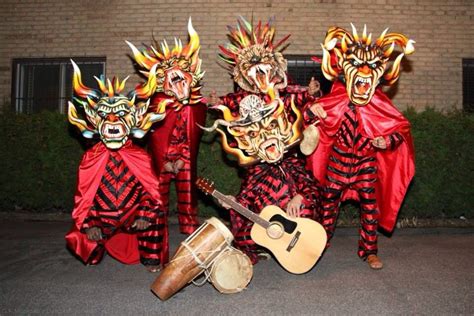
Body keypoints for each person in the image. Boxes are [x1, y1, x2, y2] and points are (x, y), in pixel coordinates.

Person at [304, 24, 416, 269]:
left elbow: (401, 131)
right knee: (328, 204)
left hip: (366, 163)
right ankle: (319, 243)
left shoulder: (380, 103)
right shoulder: (336, 97)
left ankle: (369, 251)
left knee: (370, 207)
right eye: (356, 64)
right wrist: (310, 110)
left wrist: (386, 141)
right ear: (346, 69)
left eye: (372, 66)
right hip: (338, 161)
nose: (364, 70)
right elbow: (309, 121)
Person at [65, 61, 167, 272]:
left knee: (156, 216)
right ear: (95, 122)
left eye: (120, 115)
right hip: (103, 219)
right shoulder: (90, 158)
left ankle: (152, 259)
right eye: (104, 115)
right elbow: (85, 198)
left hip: (132, 216)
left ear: (131, 122)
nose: (112, 120)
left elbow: (151, 193)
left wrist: (144, 215)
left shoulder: (138, 156)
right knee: (88, 249)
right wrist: (91, 223)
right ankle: (96, 250)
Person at [202, 88, 320, 264]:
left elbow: (311, 185)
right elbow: (246, 198)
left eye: (270, 127)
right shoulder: (255, 170)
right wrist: (232, 201)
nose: (264, 136)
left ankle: (301, 248)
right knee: (242, 237)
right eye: (253, 133)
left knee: (305, 209)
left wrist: (299, 197)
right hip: (268, 222)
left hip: (292, 219)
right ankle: (271, 248)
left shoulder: (291, 162)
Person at [127, 18, 206, 263]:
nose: (180, 81)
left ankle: (192, 250)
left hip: (184, 163)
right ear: (164, 82)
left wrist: (182, 160)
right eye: (174, 78)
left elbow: (193, 135)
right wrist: (165, 162)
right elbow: (154, 137)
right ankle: (153, 253)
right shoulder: (156, 104)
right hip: (161, 162)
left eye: (183, 77)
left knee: (189, 202)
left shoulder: (196, 105)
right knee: (154, 202)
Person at [207, 17, 321, 117]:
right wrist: (218, 101)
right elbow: (232, 101)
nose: (256, 64)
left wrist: (311, 93)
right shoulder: (246, 95)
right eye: (251, 67)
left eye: (261, 64)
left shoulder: (282, 88)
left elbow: (296, 98)